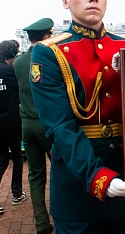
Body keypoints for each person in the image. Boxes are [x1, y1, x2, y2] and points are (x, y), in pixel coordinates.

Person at [30, 0, 125, 234]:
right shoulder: (49, 53)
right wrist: (98, 177)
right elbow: (60, 127)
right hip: (79, 185)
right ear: (66, 1)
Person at [14, 18, 54, 234]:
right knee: (60, 170)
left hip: (26, 125)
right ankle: (62, 214)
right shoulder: (49, 59)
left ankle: (41, 224)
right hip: (47, 124)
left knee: (36, 175)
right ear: (47, 36)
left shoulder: (19, 62)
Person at [0, 40, 27, 215]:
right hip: (12, 122)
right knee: (16, 157)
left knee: (1, 159)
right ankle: (17, 193)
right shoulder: (11, 72)